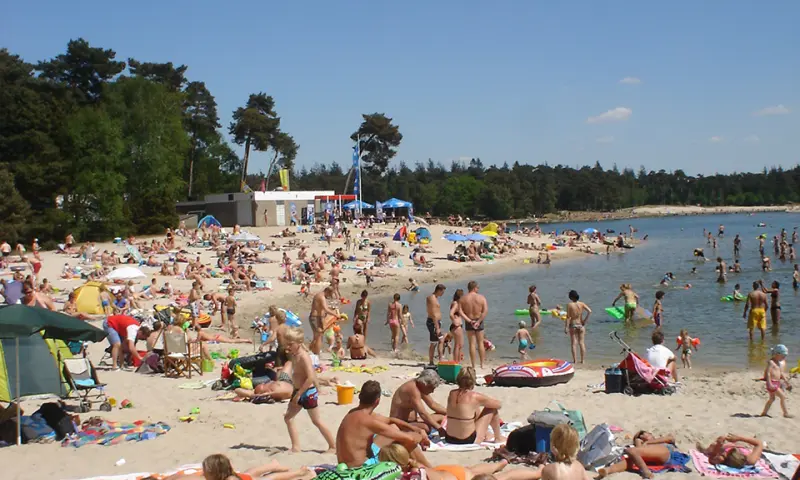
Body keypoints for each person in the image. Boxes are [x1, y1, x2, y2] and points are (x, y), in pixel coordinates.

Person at [332, 380, 430, 471]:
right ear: (377, 401)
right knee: (407, 439)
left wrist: (416, 429)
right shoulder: (368, 421)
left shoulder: (355, 412)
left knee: (394, 427)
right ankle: (429, 469)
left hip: (346, 465)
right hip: (362, 469)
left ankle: (425, 468)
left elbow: (390, 420)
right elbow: (411, 439)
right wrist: (421, 436)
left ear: (360, 397)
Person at [283, 327, 336, 453]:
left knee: (316, 421)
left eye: (291, 344)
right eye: (287, 343)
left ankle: (333, 446)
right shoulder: (294, 355)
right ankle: (296, 447)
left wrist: (300, 394)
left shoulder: (304, 357)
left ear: (299, 343)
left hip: (307, 393)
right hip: (298, 391)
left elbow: (310, 377)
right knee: (288, 418)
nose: (288, 347)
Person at [378, 443, 509, 480]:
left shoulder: (413, 474)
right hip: (444, 472)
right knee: (471, 470)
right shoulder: (411, 465)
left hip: (455, 477)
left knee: (501, 478)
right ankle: (500, 463)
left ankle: (502, 464)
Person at [445, 367, 504, 444]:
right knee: (491, 409)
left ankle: (486, 434)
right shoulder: (474, 396)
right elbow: (498, 405)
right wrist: (483, 401)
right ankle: (498, 438)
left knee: (474, 409)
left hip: (449, 438)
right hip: (467, 440)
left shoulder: (451, 393)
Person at [165, 453, 314, 480]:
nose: (203, 472)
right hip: (242, 477)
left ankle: (299, 473)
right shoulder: (222, 475)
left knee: (269, 478)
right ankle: (272, 465)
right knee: (249, 473)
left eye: (206, 470)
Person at [598, 431, 678, 479]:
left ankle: (646, 472)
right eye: (640, 437)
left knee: (631, 451)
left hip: (664, 451)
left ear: (650, 434)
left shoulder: (659, 440)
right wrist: (638, 442)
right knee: (631, 460)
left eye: (643, 433)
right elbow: (639, 452)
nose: (642, 436)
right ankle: (607, 470)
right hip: (652, 459)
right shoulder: (644, 446)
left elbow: (670, 438)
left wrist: (648, 442)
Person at [459, 281, 488, 369]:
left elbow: (460, 312)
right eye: (477, 288)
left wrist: (469, 321)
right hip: (479, 320)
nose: (478, 289)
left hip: (469, 321)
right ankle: (482, 364)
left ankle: (473, 365)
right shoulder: (481, 297)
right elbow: (485, 311)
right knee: (480, 343)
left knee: (472, 344)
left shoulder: (463, 299)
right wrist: (478, 321)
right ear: (474, 288)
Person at [697, 434, 765, 469]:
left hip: (719, 449)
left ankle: (705, 450)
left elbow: (711, 459)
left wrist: (718, 445)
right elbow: (759, 443)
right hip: (732, 448)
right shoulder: (750, 460)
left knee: (713, 446)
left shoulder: (721, 458)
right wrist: (739, 438)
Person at [761, 344, 793, 418]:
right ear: (777, 354)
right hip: (772, 383)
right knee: (783, 397)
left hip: (776, 382)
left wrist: (786, 382)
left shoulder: (778, 363)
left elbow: (781, 373)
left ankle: (764, 413)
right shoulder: (771, 362)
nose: (784, 357)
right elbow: (768, 373)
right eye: (783, 356)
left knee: (772, 399)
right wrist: (769, 383)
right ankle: (785, 413)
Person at [310, 286, 342, 355]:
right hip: (315, 318)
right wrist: (336, 315)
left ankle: (311, 351)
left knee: (317, 336)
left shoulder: (319, 295)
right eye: (330, 294)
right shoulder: (321, 297)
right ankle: (316, 353)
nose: (329, 296)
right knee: (318, 336)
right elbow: (326, 309)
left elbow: (322, 308)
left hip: (318, 318)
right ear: (327, 291)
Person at [565, 290, 591, 364]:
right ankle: (583, 360)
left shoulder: (569, 305)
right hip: (581, 325)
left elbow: (568, 317)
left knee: (574, 343)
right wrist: (585, 320)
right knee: (581, 343)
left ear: (571, 297)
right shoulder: (581, 304)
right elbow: (589, 311)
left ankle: (575, 361)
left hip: (573, 325)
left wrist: (566, 327)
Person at [426, 284, 447, 365]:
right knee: (435, 342)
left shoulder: (434, 298)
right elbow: (434, 313)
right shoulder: (432, 298)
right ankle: (433, 361)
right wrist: (437, 327)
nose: (443, 294)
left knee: (439, 340)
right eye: (442, 292)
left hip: (435, 322)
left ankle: (439, 359)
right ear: (439, 290)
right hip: (433, 322)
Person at [449, 289, 465, 363]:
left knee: (460, 345)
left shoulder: (456, 303)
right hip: (456, 326)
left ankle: (458, 361)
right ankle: (456, 362)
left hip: (457, 326)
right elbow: (451, 314)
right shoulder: (455, 304)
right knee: (458, 345)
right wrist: (455, 321)